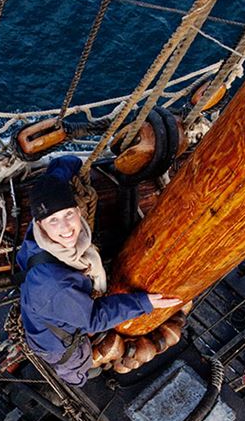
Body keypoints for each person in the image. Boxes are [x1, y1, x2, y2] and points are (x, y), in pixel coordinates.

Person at [18, 155, 178, 386]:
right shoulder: (54, 284)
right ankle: (78, 377)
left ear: (77, 210)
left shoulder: (39, 236)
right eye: (54, 220)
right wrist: (143, 303)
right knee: (75, 363)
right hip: (54, 343)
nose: (65, 227)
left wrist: (70, 163)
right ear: (40, 224)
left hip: (46, 307)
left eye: (68, 214)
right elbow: (93, 319)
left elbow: (54, 180)